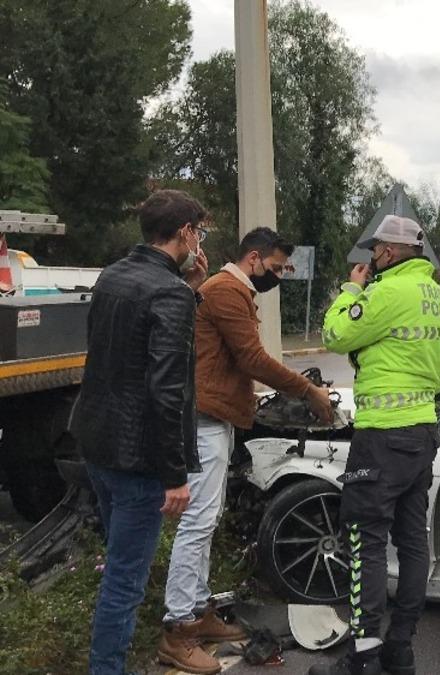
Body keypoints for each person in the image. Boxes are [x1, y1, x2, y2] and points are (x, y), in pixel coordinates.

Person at [157, 228, 335, 673]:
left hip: (214, 416)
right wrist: (309, 390)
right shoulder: (226, 291)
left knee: (206, 517)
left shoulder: (229, 290)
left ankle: (198, 612)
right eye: (275, 268)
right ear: (253, 258)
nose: (276, 276)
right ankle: (178, 629)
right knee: (197, 522)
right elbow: (252, 359)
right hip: (203, 418)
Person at [313, 215, 440, 675]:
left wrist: (351, 291)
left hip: (381, 436)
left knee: (365, 542)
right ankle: (401, 650)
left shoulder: (385, 292)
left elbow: (335, 334)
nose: (370, 257)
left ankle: (362, 657)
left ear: (392, 253)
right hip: (422, 435)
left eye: (375, 250)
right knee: (413, 542)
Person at [70, 189, 209, 675]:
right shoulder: (168, 293)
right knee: (125, 583)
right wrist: (174, 476)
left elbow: (123, 351)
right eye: (199, 231)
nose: (200, 240)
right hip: (137, 462)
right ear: (186, 233)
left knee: (118, 566)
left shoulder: (114, 275)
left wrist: (190, 287)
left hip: (97, 444)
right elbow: (166, 392)